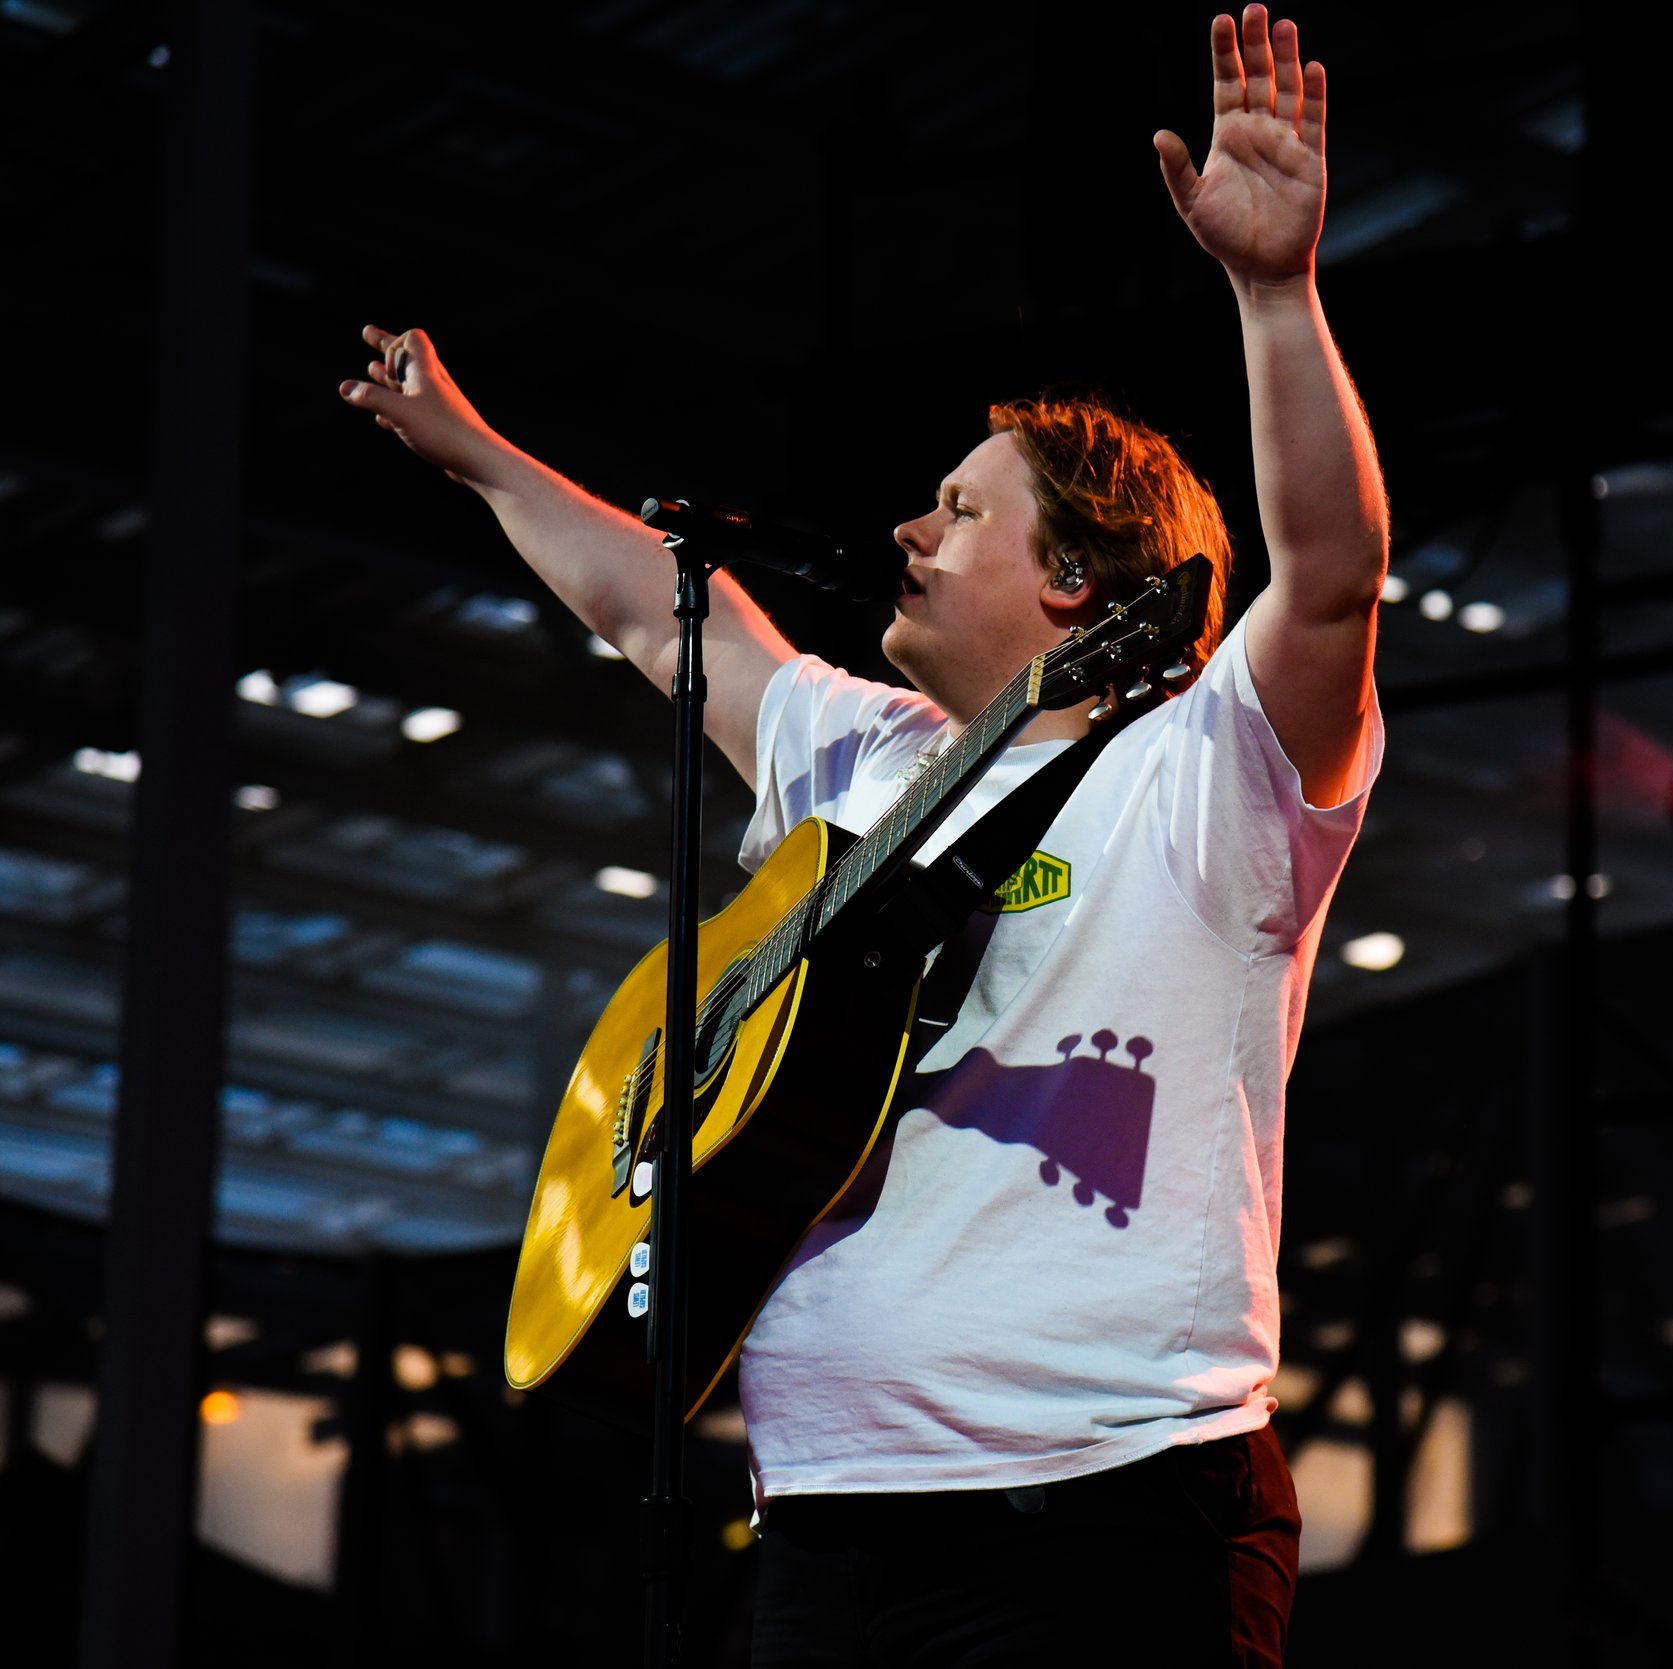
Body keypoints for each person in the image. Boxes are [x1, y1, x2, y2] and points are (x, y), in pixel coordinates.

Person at [340, 9, 1385, 1662]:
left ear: (1076, 587)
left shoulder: (1206, 778)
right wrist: (474, 453)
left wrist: (1275, 291)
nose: (911, 525)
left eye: (962, 509)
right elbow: (644, 610)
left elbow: (1326, 579)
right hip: (828, 1516)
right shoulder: (864, 756)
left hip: (1106, 1518)